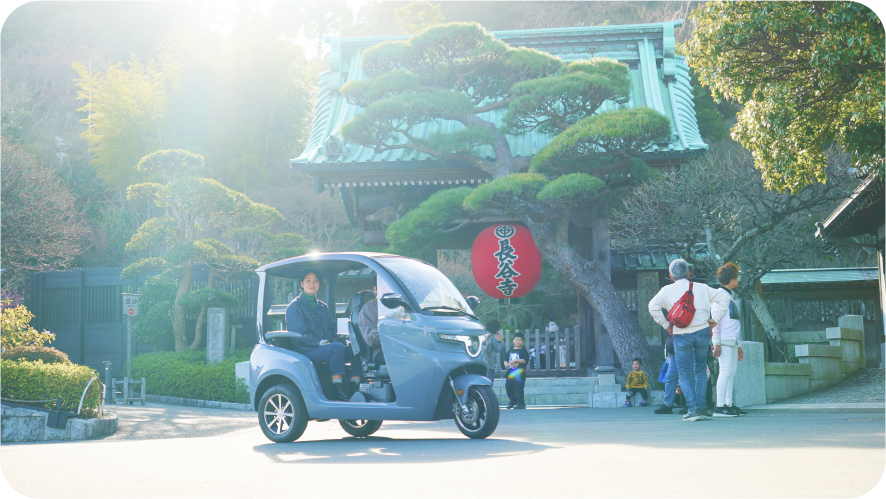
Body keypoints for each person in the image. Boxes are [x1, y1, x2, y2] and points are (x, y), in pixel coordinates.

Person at [648, 259, 730, 421]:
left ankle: (692, 409)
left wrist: (667, 326)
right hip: (701, 332)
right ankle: (702, 407)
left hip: (680, 334)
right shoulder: (702, 288)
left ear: (671, 276)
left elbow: (653, 307)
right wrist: (715, 319)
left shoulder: (666, 290)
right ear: (688, 273)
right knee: (700, 370)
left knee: (684, 373)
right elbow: (724, 299)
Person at [286, 271, 361, 401]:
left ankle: (355, 388)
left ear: (319, 284)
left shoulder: (323, 306)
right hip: (306, 350)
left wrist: (340, 340)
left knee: (356, 349)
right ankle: (338, 390)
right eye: (308, 280)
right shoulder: (294, 307)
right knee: (336, 348)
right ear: (302, 284)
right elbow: (300, 334)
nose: (312, 284)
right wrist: (320, 343)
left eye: (315, 280)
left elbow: (332, 330)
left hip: (325, 348)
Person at [711, 262, 747, 417]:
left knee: (731, 372)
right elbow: (715, 322)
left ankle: (728, 404)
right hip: (724, 341)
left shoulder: (728, 297)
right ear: (732, 279)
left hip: (731, 340)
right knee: (725, 372)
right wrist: (716, 343)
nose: (738, 280)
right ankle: (720, 406)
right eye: (737, 277)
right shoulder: (720, 297)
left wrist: (738, 344)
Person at [654, 339, 688, 414]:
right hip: (675, 351)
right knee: (670, 377)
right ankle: (668, 404)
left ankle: (690, 405)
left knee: (685, 377)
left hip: (687, 347)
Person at [357, 285, 385, 366]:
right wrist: (393, 333)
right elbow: (371, 339)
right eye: (385, 286)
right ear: (375, 289)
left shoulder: (401, 308)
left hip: (403, 348)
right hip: (381, 351)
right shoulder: (367, 309)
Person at [504, 333, 530, 409]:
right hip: (511, 372)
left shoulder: (523, 350)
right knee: (508, 386)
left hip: (519, 372)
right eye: (516, 339)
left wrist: (515, 360)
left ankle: (521, 403)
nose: (518, 341)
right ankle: (513, 400)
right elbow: (505, 359)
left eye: (520, 340)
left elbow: (525, 360)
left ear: (523, 342)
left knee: (519, 387)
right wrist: (506, 363)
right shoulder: (510, 350)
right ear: (513, 341)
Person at [483, 319, 504, 384]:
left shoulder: (482, 335)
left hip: (481, 363)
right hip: (490, 365)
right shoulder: (492, 338)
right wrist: (500, 341)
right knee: (489, 384)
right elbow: (497, 349)